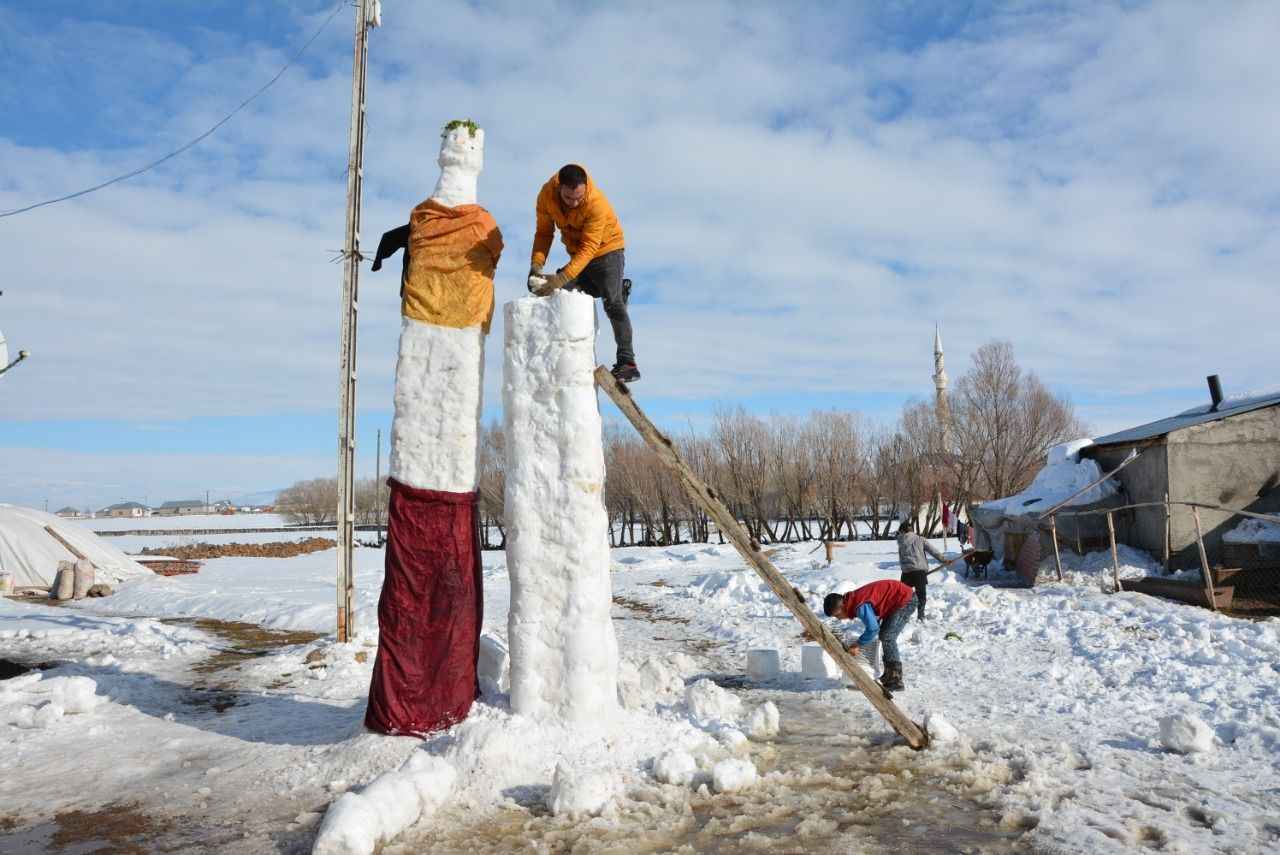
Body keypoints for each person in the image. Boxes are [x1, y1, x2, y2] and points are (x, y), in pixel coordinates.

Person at [527, 164, 638, 382]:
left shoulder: (596, 203)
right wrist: (536, 265)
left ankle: (628, 363)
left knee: (612, 303)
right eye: (568, 198)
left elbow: (590, 248)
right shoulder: (546, 196)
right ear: (559, 187)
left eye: (579, 198)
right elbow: (543, 233)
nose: (574, 203)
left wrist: (562, 277)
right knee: (561, 292)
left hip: (607, 250)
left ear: (585, 187)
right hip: (578, 255)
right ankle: (615, 288)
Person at [823, 579, 917, 691]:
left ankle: (895, 679)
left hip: (905, 599)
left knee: (888, 637)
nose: (838, 618)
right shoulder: (853, 600)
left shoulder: (859, 605)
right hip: (898, 598)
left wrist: (857, 644)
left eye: (837, 615)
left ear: (842, 607)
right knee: (885, 634)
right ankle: (889, 674)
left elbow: (873, 629)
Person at [896, 518, 947, 621]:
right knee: (921, 595)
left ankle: (901, 616)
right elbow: (933, 551)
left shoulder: (900, 541)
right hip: (919, 572)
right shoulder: (920, 539)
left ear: (902, 531)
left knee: (903, 595)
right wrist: (943, 560)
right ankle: (921, 615)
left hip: (906, 572)